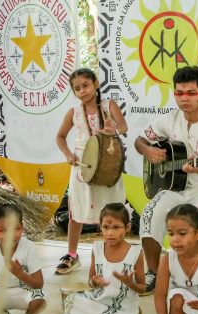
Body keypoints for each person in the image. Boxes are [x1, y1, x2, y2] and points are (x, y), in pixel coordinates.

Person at [134, 66, 198, 295]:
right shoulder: (170, 120)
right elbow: (140, 140)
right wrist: (148, 151)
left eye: (191, 93)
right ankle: (153, 272)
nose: (184, 99)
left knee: (192, 220)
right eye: (179, 93)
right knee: (151, 212)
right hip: (178, 188)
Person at [54, 68, 128, 275]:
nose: (82, 91)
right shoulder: (74, 113)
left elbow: (123, 126)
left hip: (107, 165)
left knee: (111, 211)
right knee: (76, 211)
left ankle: (113, 254)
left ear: (96, 84)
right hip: (82, 167)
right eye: (77, 88)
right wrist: (68, 154)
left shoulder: (108, 106)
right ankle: (71, 253)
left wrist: (114, 130)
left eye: (85, 85)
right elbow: (60, 137)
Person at [63, 203, 144, 314]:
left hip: (123, 309)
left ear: (127, 227)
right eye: (106, 227)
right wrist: (95, 282)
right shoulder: (97, 249)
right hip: (99, 301)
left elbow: (142, 287)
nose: (110, 233)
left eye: (116, 227)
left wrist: (129, 283)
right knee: (70, 300)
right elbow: (90, 282)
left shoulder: (136, 253)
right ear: (100, 227)